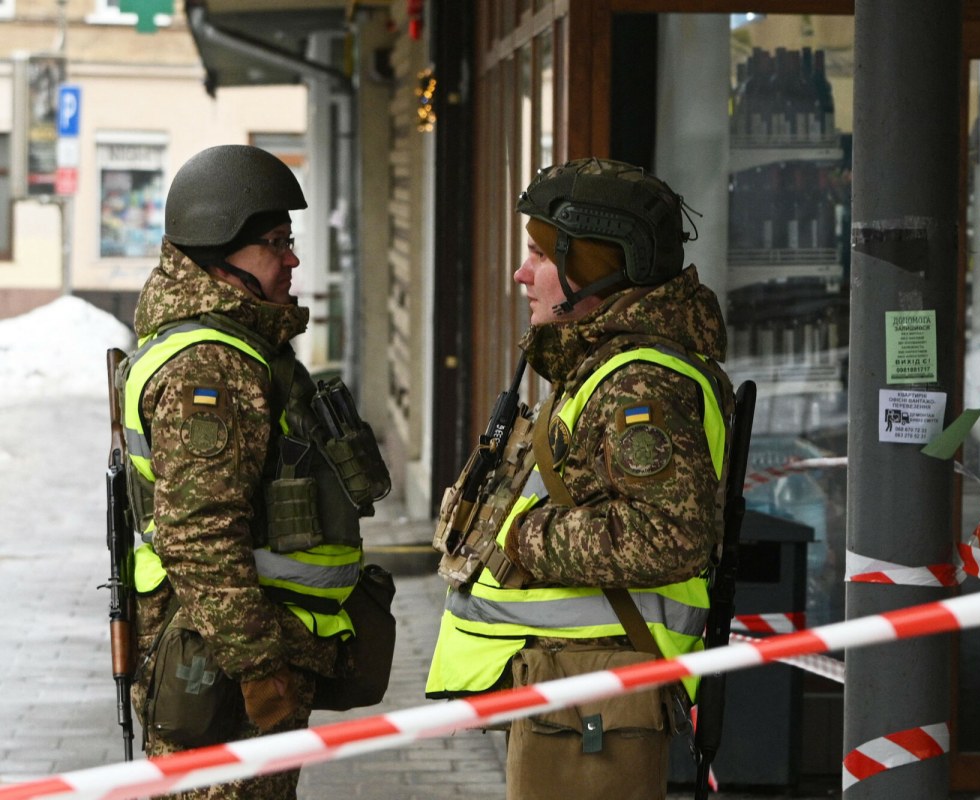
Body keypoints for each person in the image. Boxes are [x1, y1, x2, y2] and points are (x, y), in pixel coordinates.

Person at [425, 157, 734, 800]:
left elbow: (670, 533)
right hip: (576, 681)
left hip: (596, 689)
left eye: (539, 254)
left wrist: (526, 536)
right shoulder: (604, 366)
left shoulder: (639, 382)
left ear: (595, 265)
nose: (521, 273)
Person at [120, 144, 389, 799]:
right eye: (275, 243)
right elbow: (200, 535)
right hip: (220, 667)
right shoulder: (210, 368)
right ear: (222, 254)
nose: (292, 258)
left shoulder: (231, 349)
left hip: (226, 651)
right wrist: (258, 666)